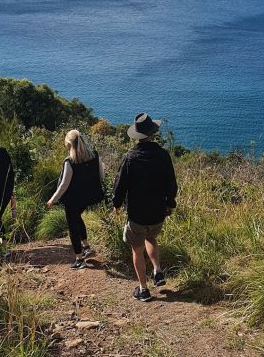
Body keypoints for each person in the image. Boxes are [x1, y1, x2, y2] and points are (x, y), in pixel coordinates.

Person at [112, 112, 178, 302]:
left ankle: (143, 289)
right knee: (151, 237)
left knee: (137, 248)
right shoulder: (163, 155)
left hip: (137, 214)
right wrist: (170, 204)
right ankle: (158, 270)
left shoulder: (130, 157)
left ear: (137, 135)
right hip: (158, 212)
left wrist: (116, 204)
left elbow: (120, 184)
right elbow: (171, 184)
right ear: (152, 133)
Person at [46, 130, 105, 269]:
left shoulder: (70, 162)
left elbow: (64, 185)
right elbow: (101, 175)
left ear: (69, 144)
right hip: (89, 197)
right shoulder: (95, 156)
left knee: (72, 226)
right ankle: (86, 246)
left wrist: (53, 199)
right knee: (77, 217)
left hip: (73, 200)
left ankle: (79, 259)